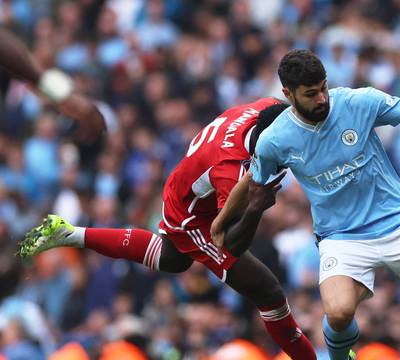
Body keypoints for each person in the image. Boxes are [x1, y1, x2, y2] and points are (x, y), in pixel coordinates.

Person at [213, 49, 400, 360]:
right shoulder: (275, 139)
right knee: (339, 313)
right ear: (288, 94)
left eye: (323, 88)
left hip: (398, 222)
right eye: (311, 94)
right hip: (342, 238)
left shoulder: (357, 102)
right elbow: (251, 180)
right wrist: (221, 222)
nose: (321, 99)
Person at [17, 98, 317, 359]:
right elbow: (229, 241)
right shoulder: (233, 171)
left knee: (174, 259)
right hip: (194, 214)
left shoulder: (266, 110)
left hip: (187, 184)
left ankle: (71, 234)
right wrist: (255, 207)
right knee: (267, 290)